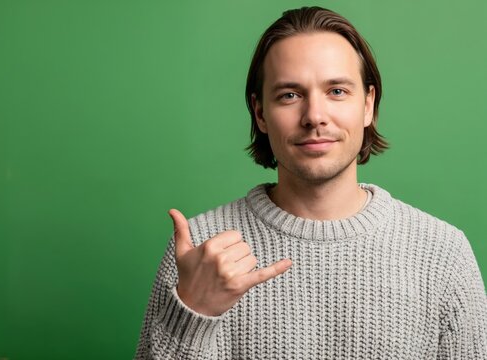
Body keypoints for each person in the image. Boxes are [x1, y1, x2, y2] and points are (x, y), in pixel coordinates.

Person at [133, 6, 487, 360]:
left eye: (336, 91)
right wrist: (195, 313)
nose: (314, 116)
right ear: (260, 114)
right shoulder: (200, 252)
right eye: (290, 95)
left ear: (368, 104)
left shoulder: (443, 254)